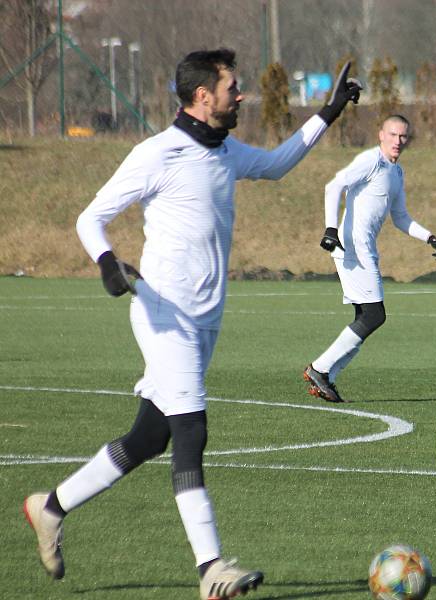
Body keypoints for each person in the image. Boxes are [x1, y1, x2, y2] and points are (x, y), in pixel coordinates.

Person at [22, 48, 360, 599]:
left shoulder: (224, 151)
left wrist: (329, 113)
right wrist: (107, 263)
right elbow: (92, 217)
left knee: (149, 436)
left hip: (204, 321)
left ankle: (50, 507)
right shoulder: (159, 153)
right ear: (204, 97)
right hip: (163, 315)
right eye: (233, 89)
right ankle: (211, 570)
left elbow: (276, 164)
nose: (241, 96)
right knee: (191, 432)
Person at [303, 115, 436, 403]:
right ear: (381, 134)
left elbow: (401, 217)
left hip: (364, 247)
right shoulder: (371, 161)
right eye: (393, 135)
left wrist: (430, 237)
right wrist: (331, 229)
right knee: (374, 315)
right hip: (351, 246)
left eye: (403, 136)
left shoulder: (397, 172)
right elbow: (333, 186)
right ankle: (320, 369)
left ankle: (326, 375)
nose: (398, 141)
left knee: (367, 316)